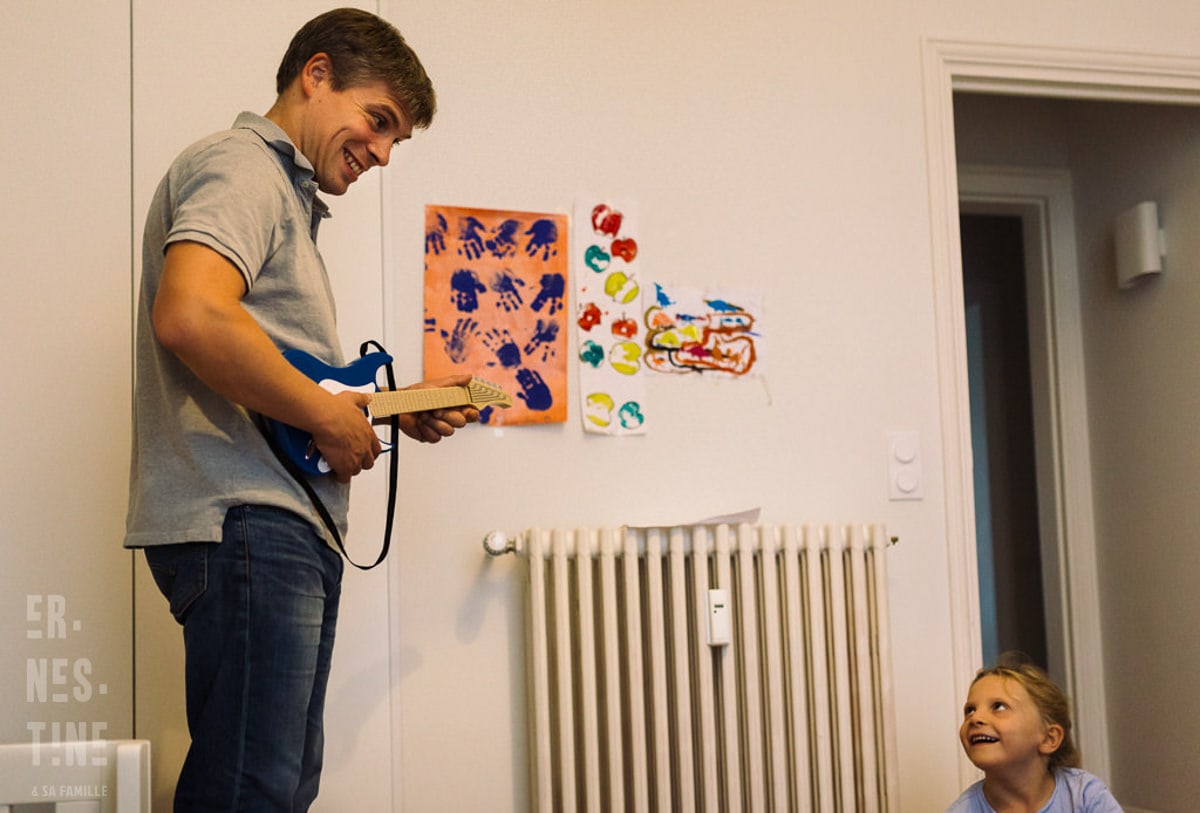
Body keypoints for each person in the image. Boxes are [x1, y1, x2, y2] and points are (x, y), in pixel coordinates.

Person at [124, 9, 478, 810]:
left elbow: (277, 374)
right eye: (378, 121)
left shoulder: (282, 197)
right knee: (253, 791)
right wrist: (325, 415)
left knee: (274, 788)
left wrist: (387, 409)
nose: (382, 152)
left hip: (272, 526)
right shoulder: (243, 167)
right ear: (316, 76)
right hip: (251, 520)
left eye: (396, 140)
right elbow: (190, 313)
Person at [947, 654, 1124, 812]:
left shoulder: (1085, 796)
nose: (975, 718)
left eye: (998, 707)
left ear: (1049, 738)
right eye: (970, 710)